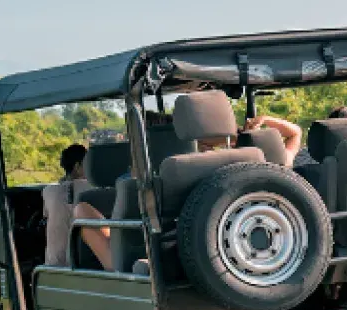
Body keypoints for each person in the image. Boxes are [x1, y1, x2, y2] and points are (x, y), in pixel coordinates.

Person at [70, 111, 303, 271]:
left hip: (164, 253)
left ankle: (128, 267)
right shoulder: (253, 167)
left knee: (82, 210)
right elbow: (295, 134)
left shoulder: (138, 181)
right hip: (232, 250)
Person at [42, 144, 91, 267]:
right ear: (77, 166)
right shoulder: (92, 189)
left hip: (54, 265)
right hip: (86, 264)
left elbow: (47, 216)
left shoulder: (48, 191)